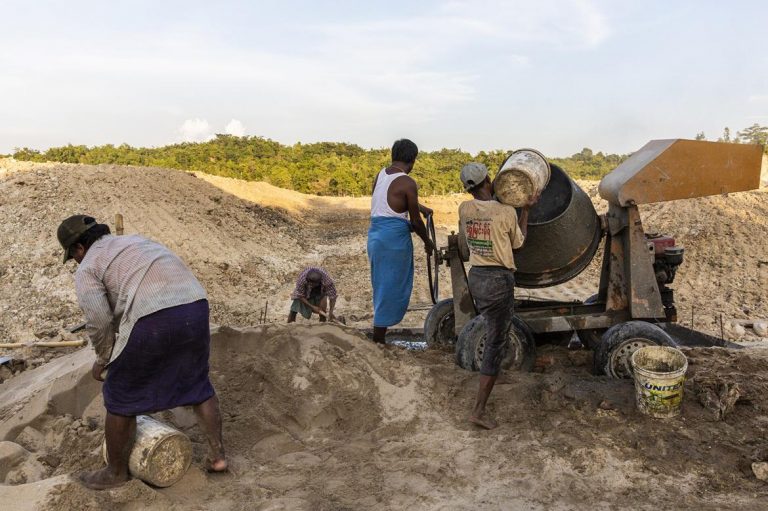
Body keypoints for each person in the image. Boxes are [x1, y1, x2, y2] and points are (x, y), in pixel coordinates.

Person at [56, 215, 227, 490]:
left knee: (119, 394)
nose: (76, 260)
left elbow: (98, 321)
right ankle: (218, 456)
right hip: (195, 306)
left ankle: (115, 472)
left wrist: (104, 359)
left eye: (74, 255)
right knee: (199, 385)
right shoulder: (135, 241)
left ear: (78, 248)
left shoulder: (88, 266)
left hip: (153, 318)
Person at [458, 162, 537, 430]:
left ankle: (495, 374)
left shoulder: (464, 209)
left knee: (493, 328)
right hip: (498, 280)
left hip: (478, 278)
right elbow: (519, 242)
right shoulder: (506, 213)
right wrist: (525, 210)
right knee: (495, 340)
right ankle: (478, 410)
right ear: (489, 180)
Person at [367, 138, 434, 344]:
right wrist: (428, 242)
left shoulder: (380, 175)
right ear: (412, 160)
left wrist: (421, 207)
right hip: (393, 242)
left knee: (382, 286)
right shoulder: (408, 182)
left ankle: (380, 335)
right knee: (391, 287)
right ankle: (378, 339)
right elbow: (415, 222)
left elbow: (392, 201)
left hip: (376, 237)